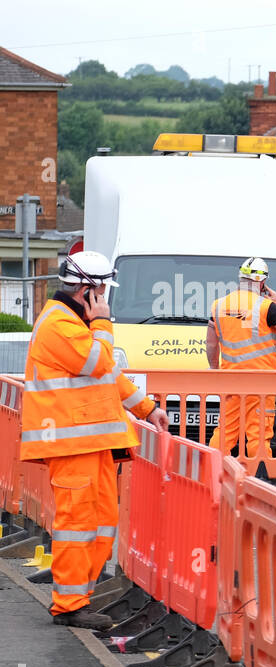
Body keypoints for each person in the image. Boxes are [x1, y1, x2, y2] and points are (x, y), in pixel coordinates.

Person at [20, 251, 169, 629]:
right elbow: (97, 363)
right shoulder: (60, 324)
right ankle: (69, 604)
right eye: (102, 291)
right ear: (87, 290)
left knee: (102, 521)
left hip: (91, 443)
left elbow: (109, 376)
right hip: (72, 445)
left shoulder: (75, 323)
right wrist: (103, 325)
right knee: (78, 523)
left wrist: (147, 408)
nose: (105, 300)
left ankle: (79, 598)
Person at [205, 257, 276, 460]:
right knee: (258, 435)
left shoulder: (219, 306)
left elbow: (211, 345)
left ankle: (211, 476)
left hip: (230, 381)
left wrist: (215, 371)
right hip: (261, 384)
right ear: (262, 282)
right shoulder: (266, 307)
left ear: (241, 279)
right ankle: (260, 479)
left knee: (223, 434)